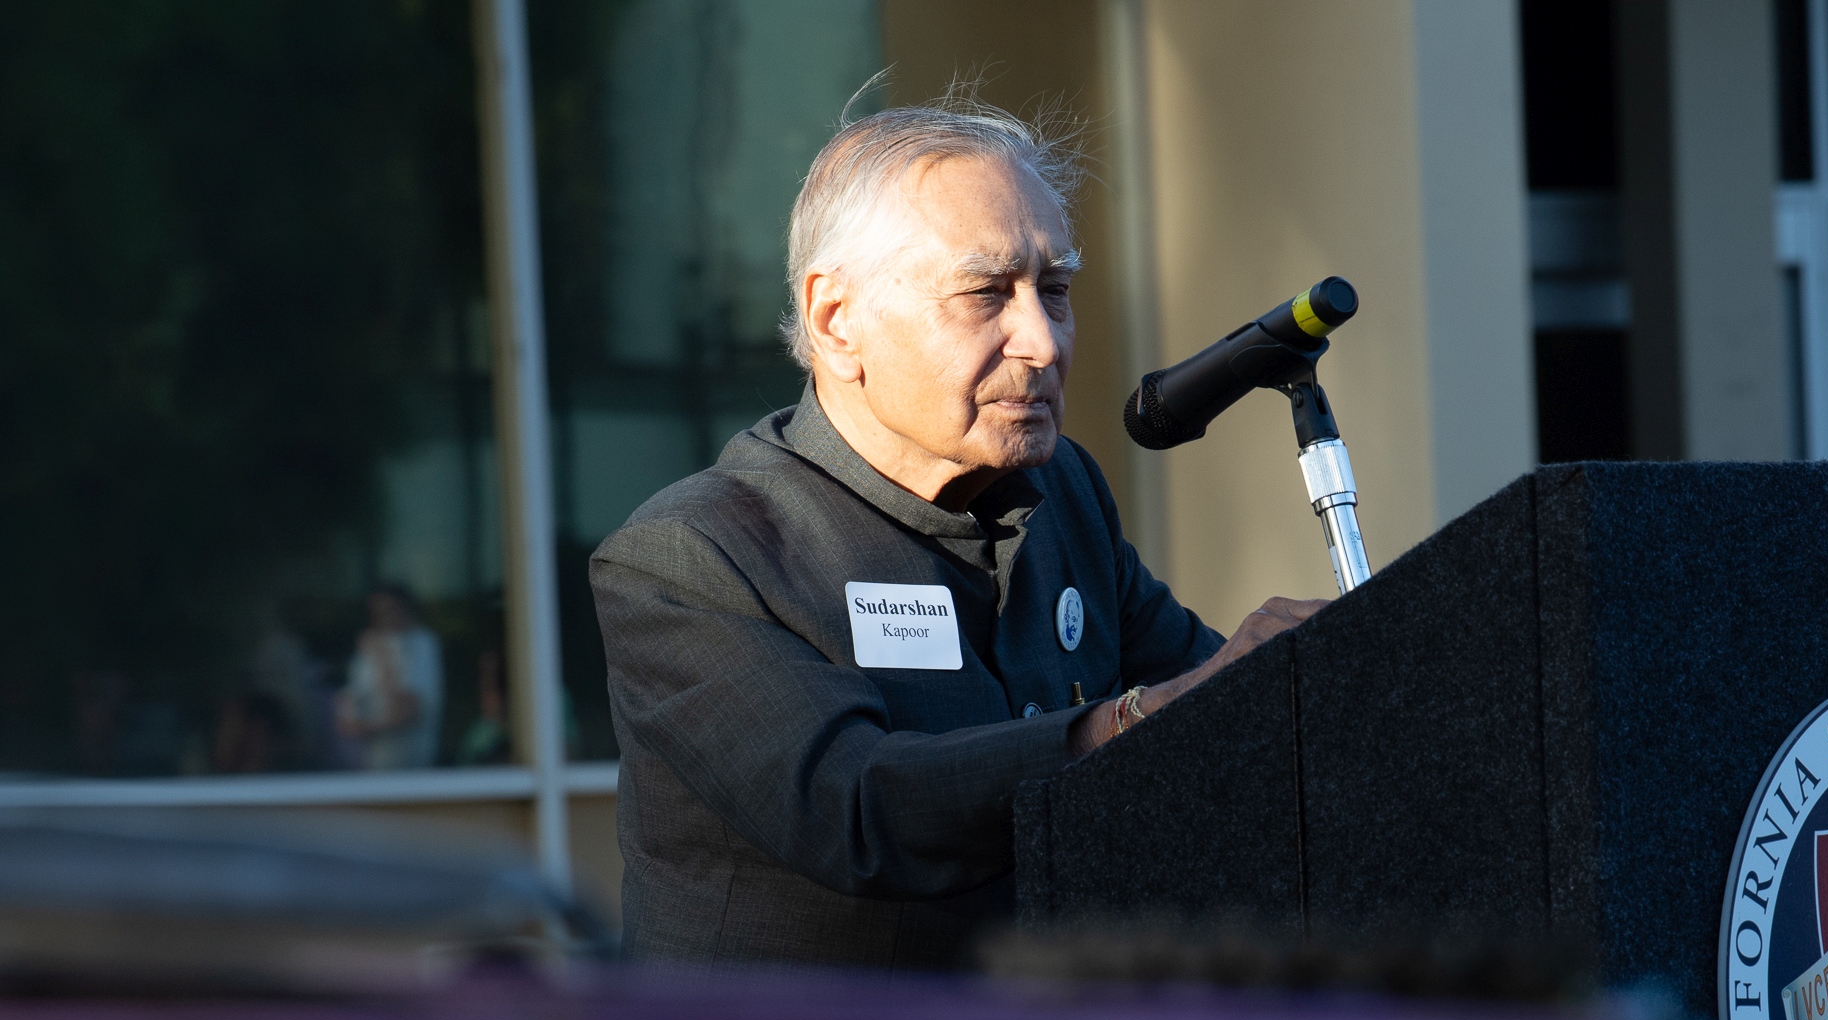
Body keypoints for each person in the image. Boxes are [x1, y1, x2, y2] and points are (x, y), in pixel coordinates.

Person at [592, 92, 1324, 968]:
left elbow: (1206, 690)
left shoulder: (1065, 493)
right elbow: (859, 811)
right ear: (837, 321)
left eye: (1054, 290)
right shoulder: (695, 554)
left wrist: (1314, 674)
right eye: (986, 293)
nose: (1044, 343)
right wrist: (1126, 723)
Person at [335, 583, 444, 770]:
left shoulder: (420, 644)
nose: (384, 618)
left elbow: (406, 713)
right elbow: (346, 717)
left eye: (390, 610)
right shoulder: (370, 647)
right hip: (370, 767)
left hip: (410, 767)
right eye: (377, 612)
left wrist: (382, 659)